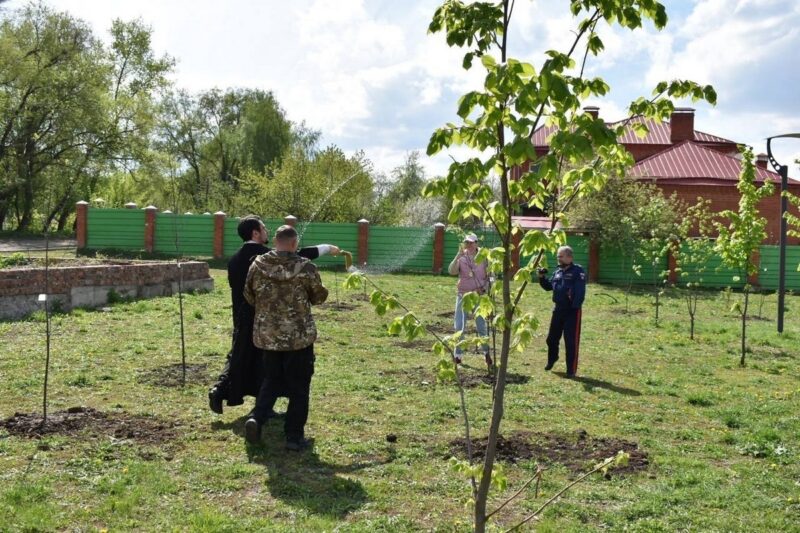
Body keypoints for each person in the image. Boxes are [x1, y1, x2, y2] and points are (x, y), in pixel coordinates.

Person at [208, 215, 338, 414]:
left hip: (241, 317)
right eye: (263, 228)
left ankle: (219, 390)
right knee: (265, 365)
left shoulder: (234, 259)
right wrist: (327, 248)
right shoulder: (266, 257)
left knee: (238, 357)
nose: (267, 231)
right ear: (255, 233)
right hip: (265, 319)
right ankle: (262, 409)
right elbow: (297, 256)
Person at [243, 225, 328, 451]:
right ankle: (293, 436)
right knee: (299, 386)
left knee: (271, 380)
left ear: (276, 241)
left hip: (268, 337)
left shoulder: (257, 265)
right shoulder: (305, 268)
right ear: (293, 243)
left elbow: (248, 295)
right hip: (298, 338)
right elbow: (318, 296)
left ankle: (256, 418)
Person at [538, 245, 586, 377]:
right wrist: (542, 277)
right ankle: (552, 358)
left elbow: (580, 292)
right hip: (558, 309)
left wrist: (574, 306)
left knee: (570, 342)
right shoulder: (557, 272)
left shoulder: (578, 271)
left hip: (572, 311)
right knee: (551, 339)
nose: (558, 258)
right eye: (558, 256)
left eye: (561, 256)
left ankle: (571, 370)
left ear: (569, 257)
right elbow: (549, 287)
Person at [448, 232, 491, 367]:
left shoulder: (484, 257)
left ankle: (486, 353)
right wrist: (457, 256)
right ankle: (458, 355)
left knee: (481, 325)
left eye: (471, 242)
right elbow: (451, 271)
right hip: (463, 295)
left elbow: (491, 277)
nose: (469, 245)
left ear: (477, 243)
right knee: (459, 326)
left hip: (479, 296)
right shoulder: (462, 257)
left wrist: (483, 289)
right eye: (467, 242)